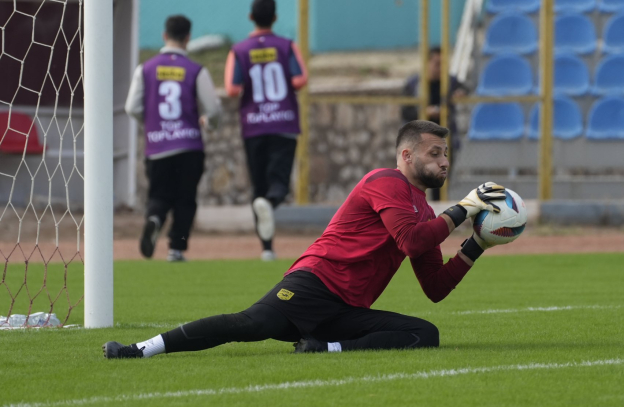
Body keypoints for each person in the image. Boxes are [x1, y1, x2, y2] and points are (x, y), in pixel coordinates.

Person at [102, 120, 506, 359]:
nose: (444, 161)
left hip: (345, 308)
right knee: (249, 324)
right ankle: (141, 349)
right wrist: (466, 206)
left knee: (426, 335)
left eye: (446, 154)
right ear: (406, 156)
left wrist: (476, 246)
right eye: (435, 153)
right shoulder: (384, 181)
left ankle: (326, 348)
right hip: (314, 284)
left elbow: (434, 287)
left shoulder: (423, 211)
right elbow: (412, 242)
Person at [125, 15, 220, 262]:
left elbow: (131, 107)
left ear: (164, 36)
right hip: (189, 146)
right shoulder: (196, 70)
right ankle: (176, 249)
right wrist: (209, 125)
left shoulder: (144, 69)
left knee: (159, 194)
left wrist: (152, 124)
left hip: (158, 146)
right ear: (188, 38)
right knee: (185, 199)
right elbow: (214, 109)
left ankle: (155, 219)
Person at [223, 0, 308, 262]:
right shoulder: (286, 46)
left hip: (254, 125)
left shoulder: (239, 50)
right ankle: (271, 204)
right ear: (275, 18)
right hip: (283, 122)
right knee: (279, 182)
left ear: (251, 17)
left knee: (258, 185)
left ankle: (267, 248)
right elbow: (300, 79)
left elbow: (232, 89)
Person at [402, 46, 467, 199]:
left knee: (440, 181)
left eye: (444, 64)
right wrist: (425, 112)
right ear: (427, 64)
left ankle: (438, 215)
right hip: (418, 142)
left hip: (443, 140)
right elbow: (405, 112)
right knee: (414, 182)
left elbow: (464, 88)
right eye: (437, 63)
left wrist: (461, 93)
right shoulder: (414, 84)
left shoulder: (449, 82)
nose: (441, 68)